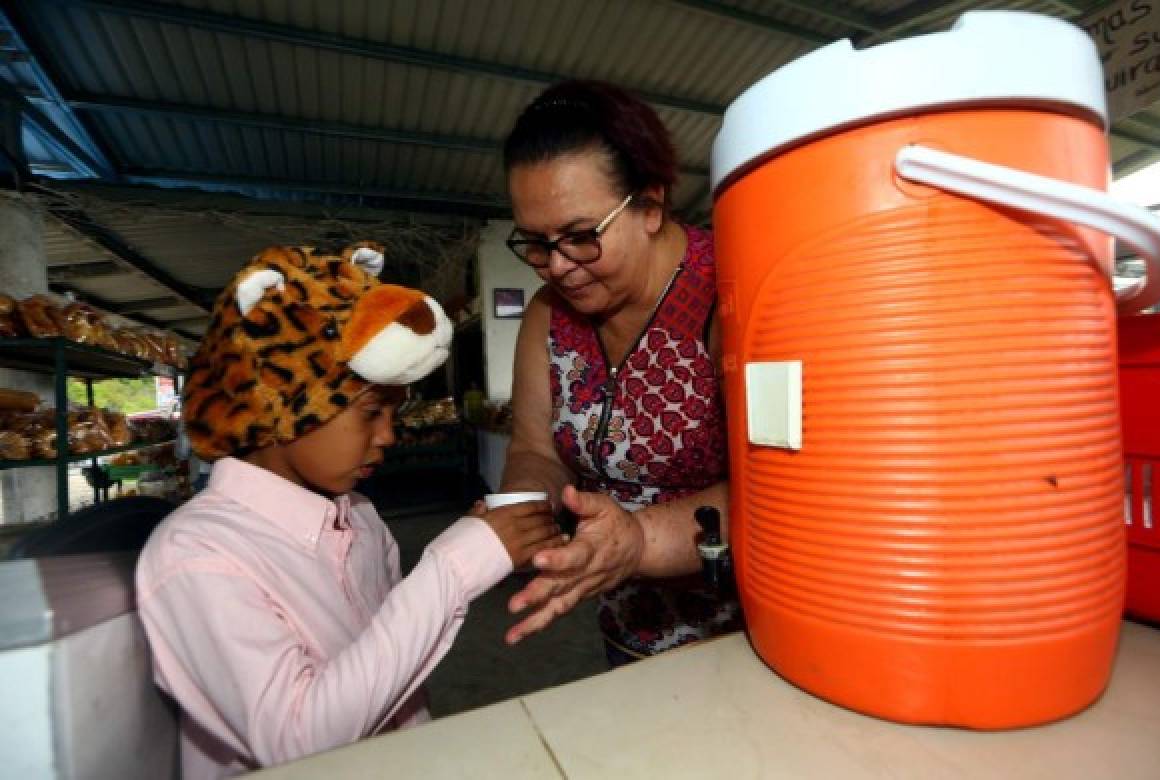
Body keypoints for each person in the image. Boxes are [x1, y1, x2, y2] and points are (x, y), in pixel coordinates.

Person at [137, 244, 560, 778]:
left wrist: (485, 543)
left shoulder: (359, 517)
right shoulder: (197, 557)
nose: (388, 435)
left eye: (395, 411)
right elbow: (299, 741)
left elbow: (386, 672)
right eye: (371, 412)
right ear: (283, 396)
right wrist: (454, 566)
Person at [499, 80, 740, 665]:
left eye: (581, 237)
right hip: (625, 627)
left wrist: (637, 541)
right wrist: (517, 507)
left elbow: (779, 490)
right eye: (535, 242)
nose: (556, 267)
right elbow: (535, 448)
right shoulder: (549, 315)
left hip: (739, 634)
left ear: (651, 205)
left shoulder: (727, 291)